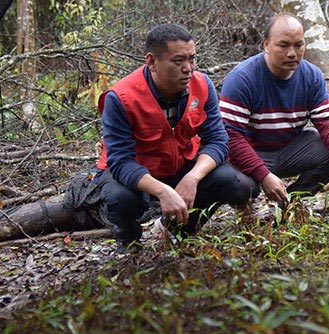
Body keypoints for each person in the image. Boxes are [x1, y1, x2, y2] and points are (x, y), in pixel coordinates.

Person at [96, 23, 254, 251]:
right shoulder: (121, 98)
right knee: (119, 198)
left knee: (228, 179)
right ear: (152, 62)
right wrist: (162, 191)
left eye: (192, 59)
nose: (188, 68)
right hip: (139, 172)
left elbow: (218, 141)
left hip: (180, 164)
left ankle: (178, 233)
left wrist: (193, 178)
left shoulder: (202, 85)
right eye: (178, 61)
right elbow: (120, 162)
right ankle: (129, 243)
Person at [219, 12, 329, 205]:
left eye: (299, 45)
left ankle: (290, 202)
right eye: (283, 45)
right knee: (242, 185)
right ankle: (244, 209)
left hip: (291, 149)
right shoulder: (242, 79)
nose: (292, 53)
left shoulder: (311, 76)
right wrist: (264, 175)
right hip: (252, 150)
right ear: (266, 45)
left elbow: (328, 122)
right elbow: (231, 137)